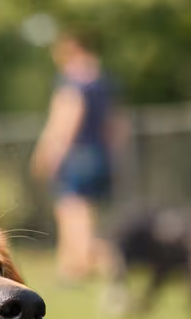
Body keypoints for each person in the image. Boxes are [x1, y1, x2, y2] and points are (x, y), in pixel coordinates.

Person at [30, 29, 123, 284]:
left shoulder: (72, 82)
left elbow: (65, 122)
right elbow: (115, 125)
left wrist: (49, 154)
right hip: (99, 154)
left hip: (76, 155)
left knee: (72, 210)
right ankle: (80, 264)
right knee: (88, 213)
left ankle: (78, 267)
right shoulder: (103, 82)